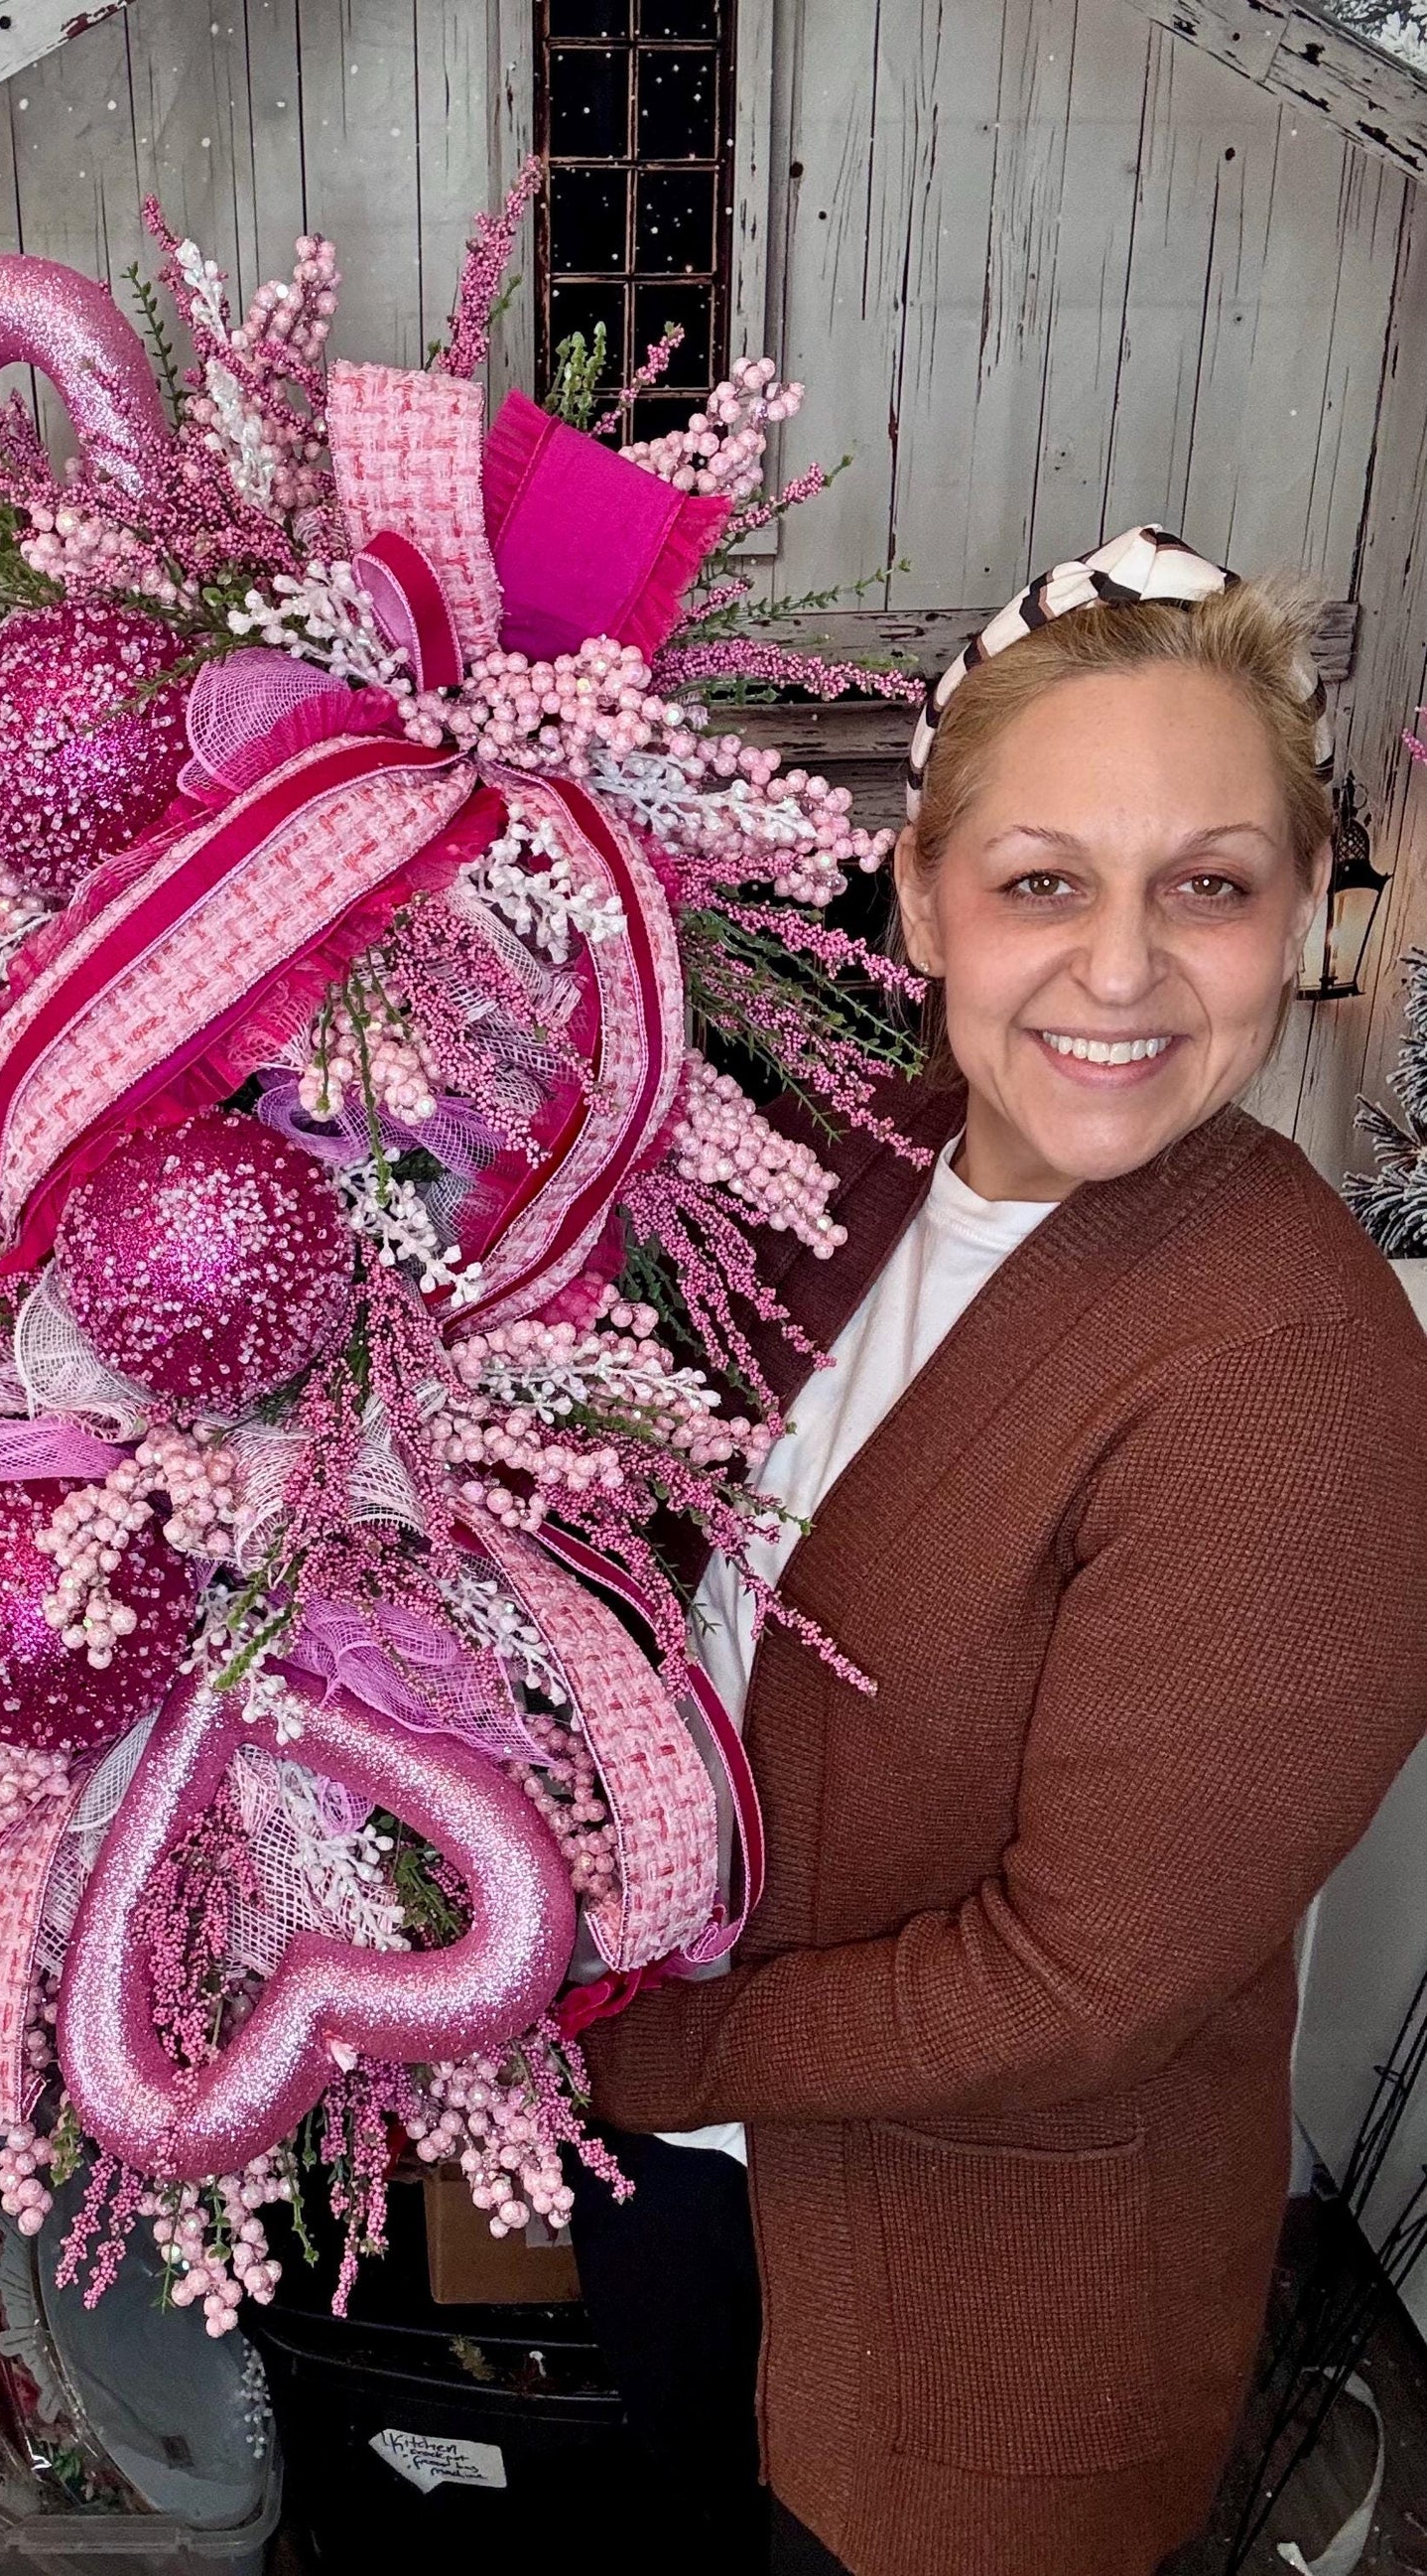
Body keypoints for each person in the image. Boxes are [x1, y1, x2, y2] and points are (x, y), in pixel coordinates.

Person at [572, 528, 1427, 2576]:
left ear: (1300, 910)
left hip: (980, 2288)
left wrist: (634, 2036)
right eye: (1042, 877)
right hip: (696, 2174)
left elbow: (1078, 1974)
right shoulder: (869, 1148)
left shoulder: (1296, 1373)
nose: (1116, 969)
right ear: (922, 895)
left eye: (1204, 885)